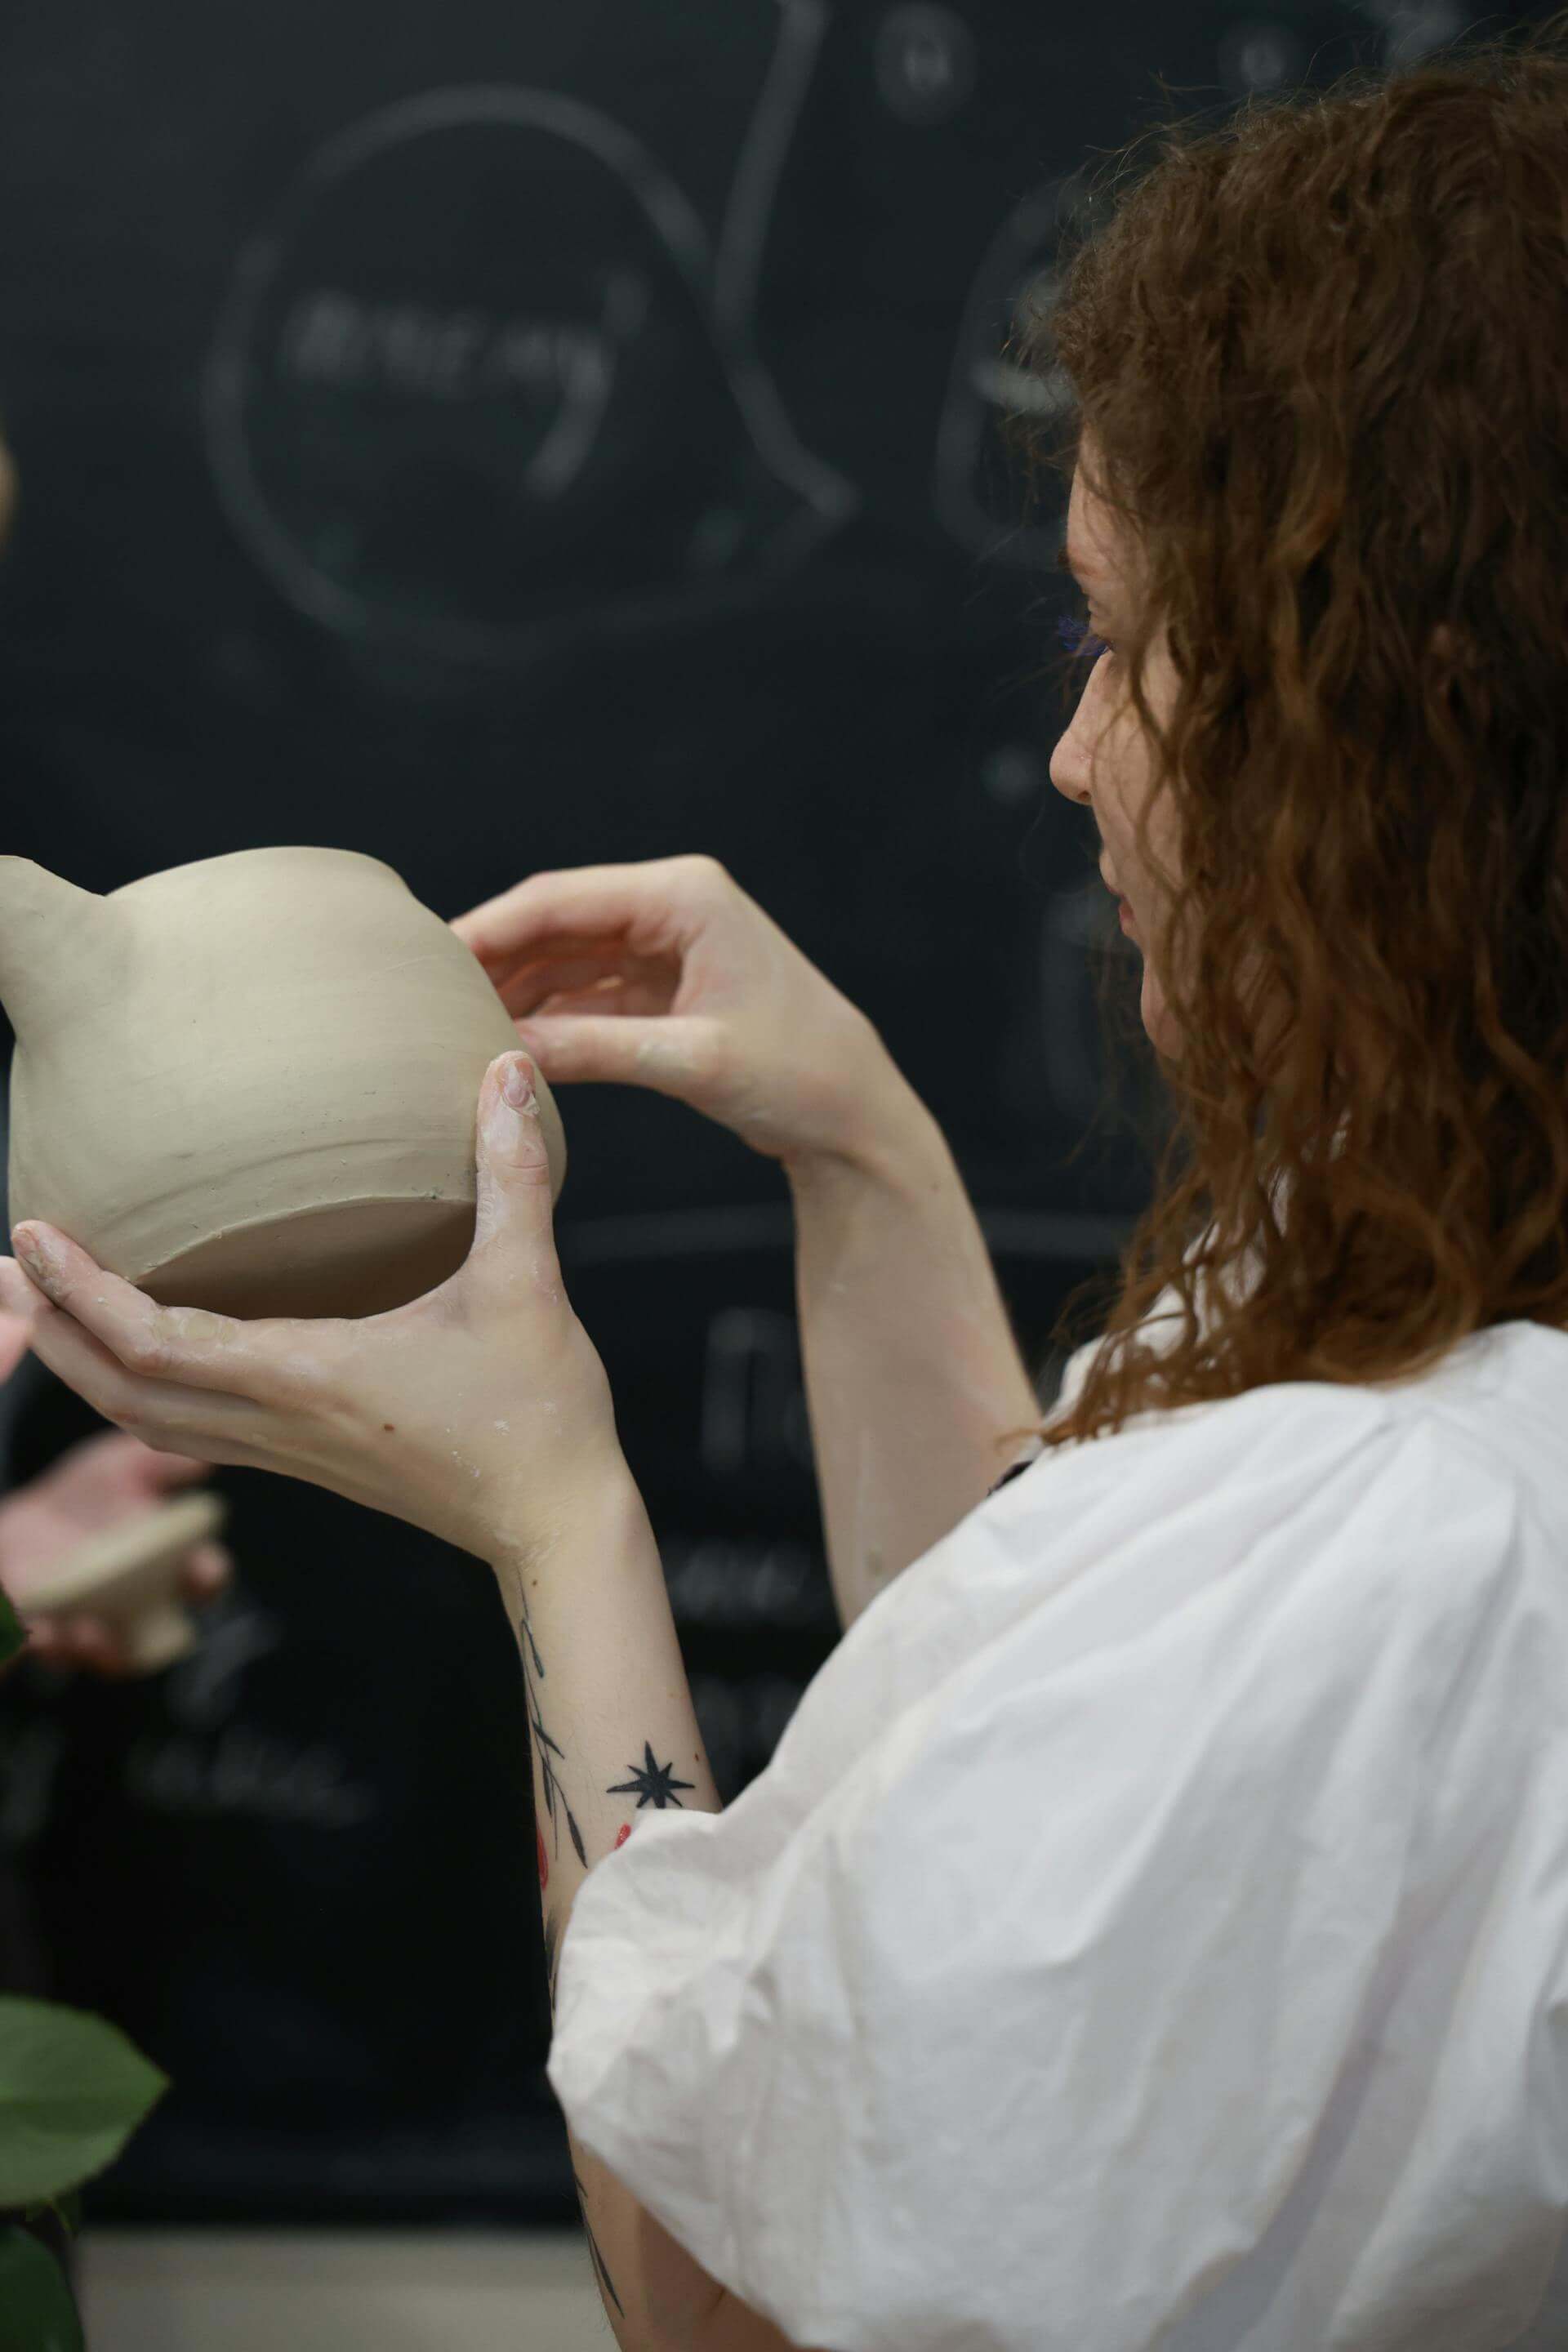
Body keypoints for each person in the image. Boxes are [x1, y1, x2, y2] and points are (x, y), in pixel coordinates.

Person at [2, 22, 1567, 2352]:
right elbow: (1029, 1779)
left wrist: (559, 1525)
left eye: (1128, 652)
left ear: (1380, 721)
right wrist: (866, 1161)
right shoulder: (1441, 1377)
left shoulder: (1420, 1549)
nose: (1072, 756)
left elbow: (733, 2292)